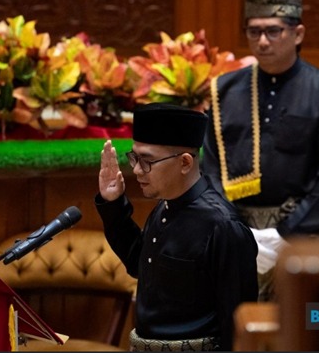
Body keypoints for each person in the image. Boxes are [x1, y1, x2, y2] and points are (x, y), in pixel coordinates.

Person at [202, 0, 319, 301]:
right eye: (254, 32)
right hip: (235, 233)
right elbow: (210, 172)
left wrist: (283, 235)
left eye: (273, 31)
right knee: (234, 335)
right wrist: (238, 234)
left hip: (302, 234)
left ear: (297, 34)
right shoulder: (225, 91)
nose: (262, 41)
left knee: (301, 337)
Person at [95, 102, 258, 351]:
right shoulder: (164, 206)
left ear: (184, 163)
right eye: (135, 157)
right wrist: (113, 203)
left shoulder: (223, 227)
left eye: (147, 160)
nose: (137, 169)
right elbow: (137, 262)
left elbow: (237, 324)